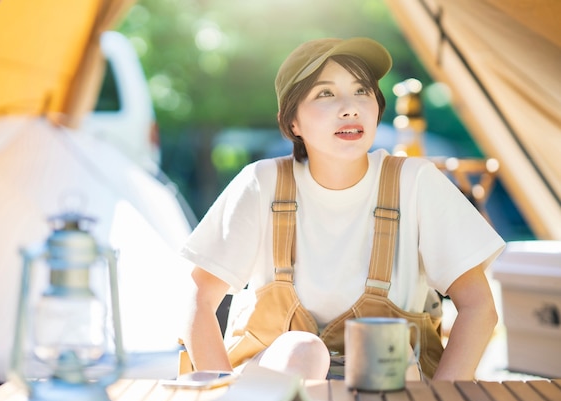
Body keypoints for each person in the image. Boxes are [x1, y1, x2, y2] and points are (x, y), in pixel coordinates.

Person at [179, 37, 505, 381]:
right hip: (277, 395)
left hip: (394, 391)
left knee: (394, 359)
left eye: (362, 91)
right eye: (326, 93)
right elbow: (198, 301)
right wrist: (223, 397)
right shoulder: (263, 183)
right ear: (293, 123)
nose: (350, 107)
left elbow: (478, 307)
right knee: (302, 351)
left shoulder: (416, 182)